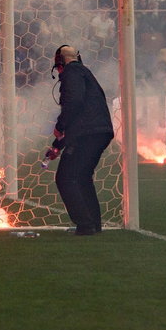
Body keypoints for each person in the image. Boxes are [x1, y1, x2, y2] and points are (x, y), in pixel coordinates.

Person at [44, 45, 114, 236]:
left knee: (65, 178)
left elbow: (74, 103)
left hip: (87, 133)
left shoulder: (71, 73)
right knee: (82, 178)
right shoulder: (85, 72)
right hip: (100, 131)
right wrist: (57, 146)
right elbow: (81, 115)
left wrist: (60, 125)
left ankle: (85, 224)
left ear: (60, 61)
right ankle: (93, 224)